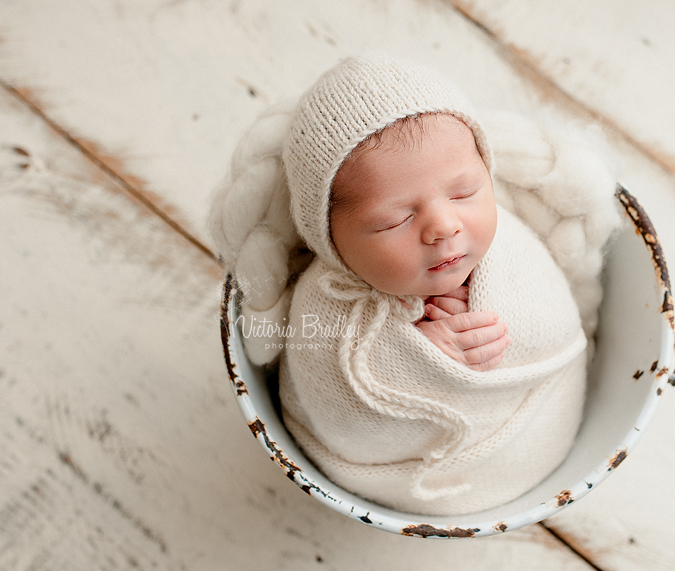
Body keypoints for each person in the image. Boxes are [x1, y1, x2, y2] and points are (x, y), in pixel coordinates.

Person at [210, 53, 621, 515]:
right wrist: (416, 358)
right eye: (395, 220)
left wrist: (494, 331)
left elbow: (556, 326)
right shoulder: (321, 303)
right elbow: (337, 411)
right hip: (393, 479)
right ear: (330, 240)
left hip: (538, 432)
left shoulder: (514, 246)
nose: (444, 226)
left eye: (464, 192)